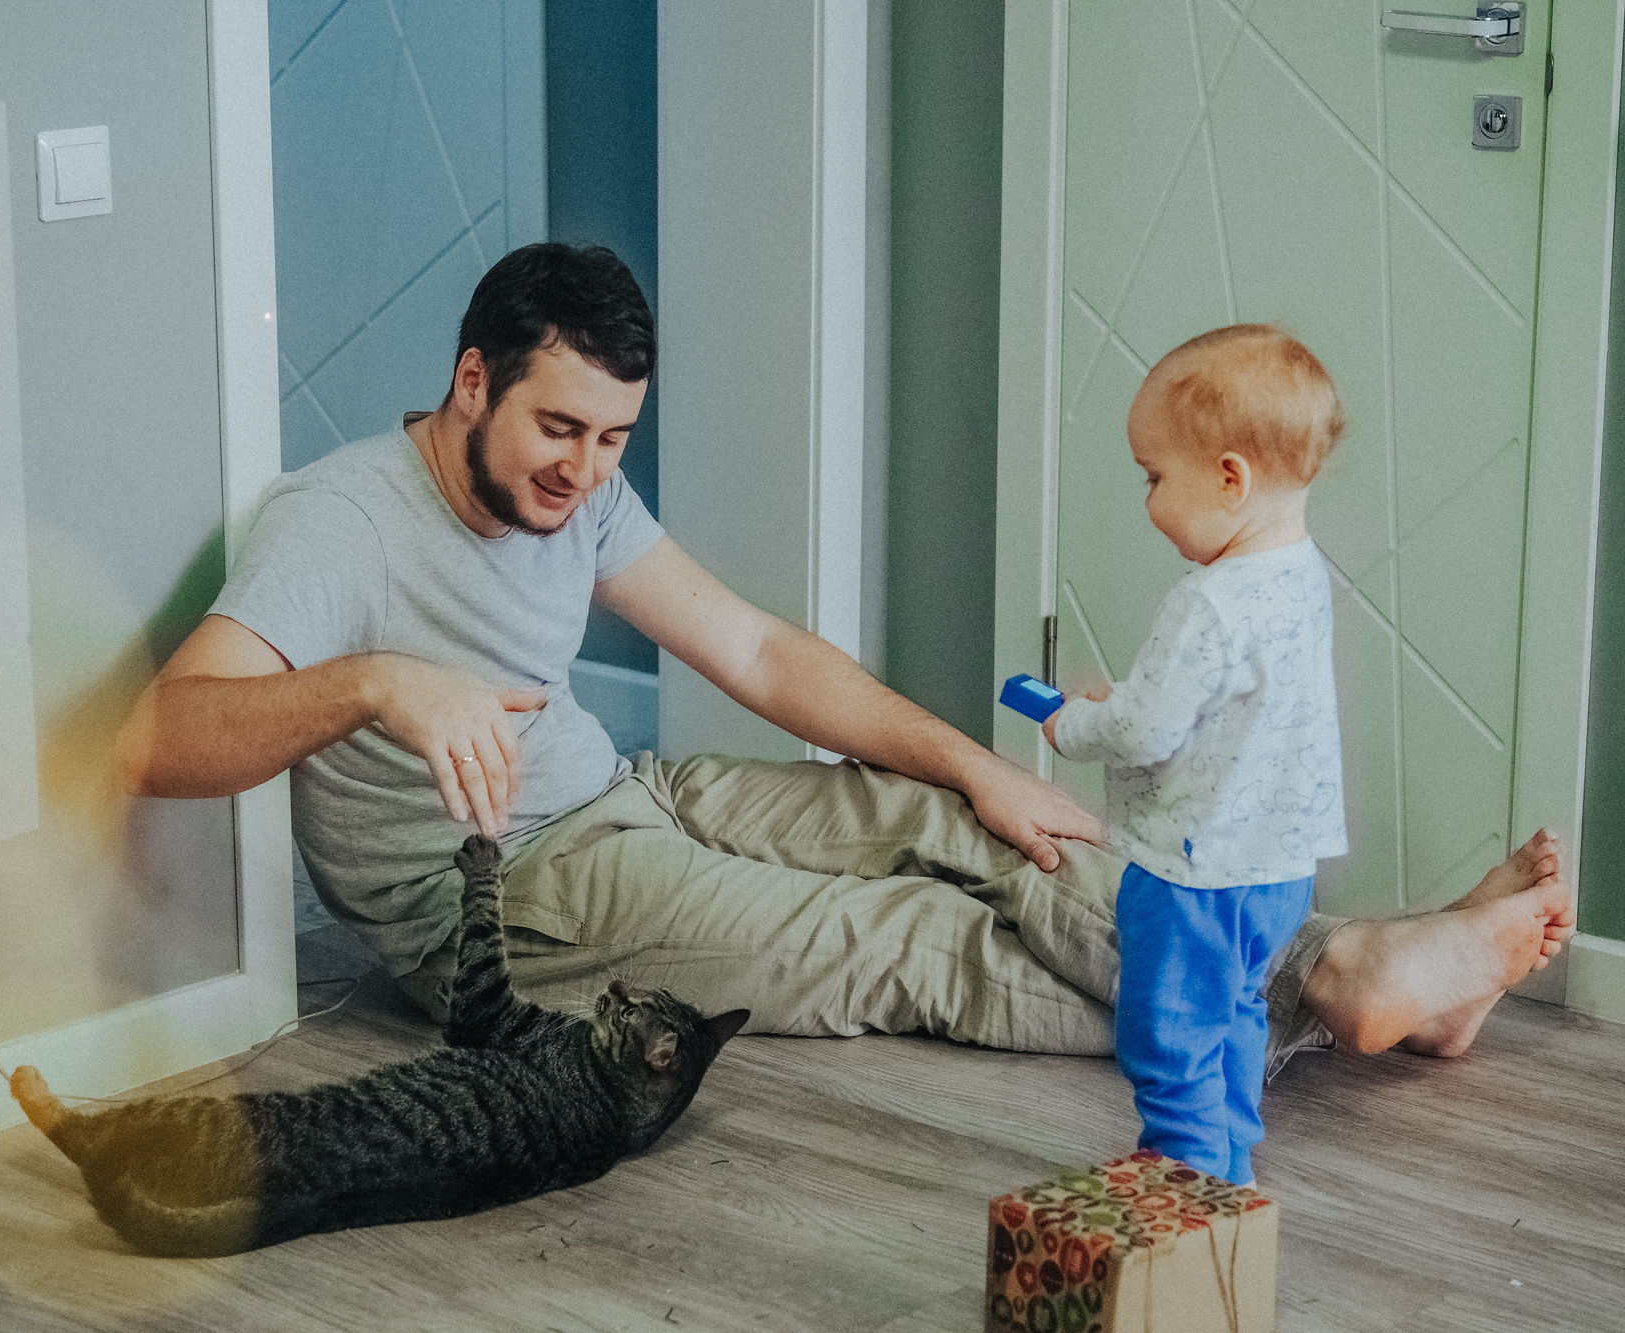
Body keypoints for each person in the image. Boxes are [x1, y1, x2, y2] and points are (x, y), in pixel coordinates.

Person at [117, 243, 1574, 1080]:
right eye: (558, 431)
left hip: (630, 789)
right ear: (470, 381)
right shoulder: (340, 523)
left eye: (614, 437)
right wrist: (375, 683)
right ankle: (1345, 979)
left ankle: (1379, 985)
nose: (584, 471)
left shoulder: (582, 484)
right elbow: (163, 736)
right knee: (909, 939)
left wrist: (972, 764)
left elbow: (748, 645)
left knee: (970, 829)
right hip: (499, 897)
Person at [1042, 325, 1344, 1185]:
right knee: (1236, 1011)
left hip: (1194, 871)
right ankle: (1232, 1161)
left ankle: (1190, 1184)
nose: (1147, 499)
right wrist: (1129, 704)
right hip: (1279, 872)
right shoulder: (1301, 574)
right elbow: (1218, 711)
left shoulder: (1208, 601)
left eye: (1153, 476)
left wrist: (1074, 724)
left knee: (1166, 1032)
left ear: (1229, 477)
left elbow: (1145, 730)